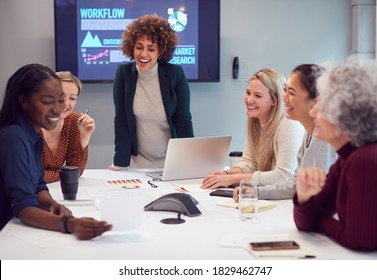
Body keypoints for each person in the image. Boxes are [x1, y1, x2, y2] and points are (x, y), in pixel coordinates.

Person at [0, 63, 111, 239]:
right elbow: (24, 207)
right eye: (47, 101)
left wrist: (52, 204)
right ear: (24, 102)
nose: (58, 108)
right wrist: (70, 224)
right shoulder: (13, 136)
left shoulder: (32, 134)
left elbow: (38, 186)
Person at [293, 57, 377, 253]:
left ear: (347, 117)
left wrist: (321, 222)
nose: (313, 112)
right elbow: (306, 223)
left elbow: (360, 241)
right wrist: (304, 198)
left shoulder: (367, 159)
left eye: (323, 107)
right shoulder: (348, 158)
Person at [233, 64, 337, 200]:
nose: (283, 98)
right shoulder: (309, 134)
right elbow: (295, 183)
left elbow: (322, 196)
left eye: (291, 93)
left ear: (314, 101)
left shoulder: (324, 138)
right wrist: (257, 192)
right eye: (285, 91)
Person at [109, 14, 194, 170]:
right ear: (131, 47)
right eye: (139, 47)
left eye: (151, 49)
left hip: (171, 163)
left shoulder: (175, 74)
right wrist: (120, 164)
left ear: (161, 51)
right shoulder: (123, 73)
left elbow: (183, 120)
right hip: (137, 164)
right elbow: (121, 121)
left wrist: (190, 163)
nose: (143, 54)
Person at [201, 68, 305, 189]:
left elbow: (285, 175)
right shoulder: (255, 121)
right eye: (248, 93)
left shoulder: (289, 124)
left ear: (274, 101)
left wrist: (231, 179)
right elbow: (249, 163)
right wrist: (224, 174)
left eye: (258, 96)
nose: (249, 100)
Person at [40, 71, 95, 183]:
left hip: (53, 190)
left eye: (72, 98)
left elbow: (76, 171)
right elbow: (27, 175)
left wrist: (84, 137)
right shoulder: (30, 122)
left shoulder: (74, 121)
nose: (66, 104)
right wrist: (64, 175)